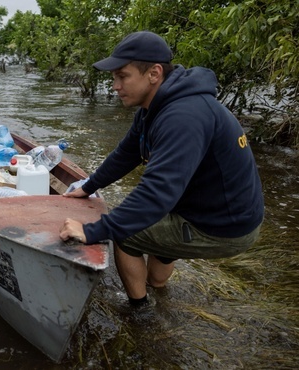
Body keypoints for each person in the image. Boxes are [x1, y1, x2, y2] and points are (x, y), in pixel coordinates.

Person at [59, 31, 264, 307]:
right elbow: (127, 153)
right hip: (205, 208)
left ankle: (140, 311)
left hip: (225, 226)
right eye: (114, 78)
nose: (115, 86)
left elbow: (156, 194)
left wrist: (93, 230)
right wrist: (88, 186)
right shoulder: (154, 107)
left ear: (154, 73)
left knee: (124, 233)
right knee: (146, 222)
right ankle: (157, 287)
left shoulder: (183, 116)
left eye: (122, 76)